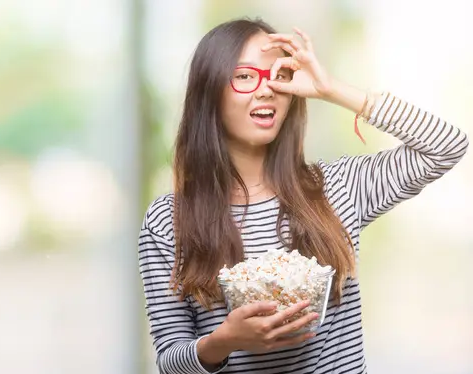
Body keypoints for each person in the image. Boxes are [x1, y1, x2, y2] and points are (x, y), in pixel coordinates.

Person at [137, 18, 468, 374]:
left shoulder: (337, 189)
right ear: (209, 90)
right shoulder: (168, 220)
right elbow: (170, 360)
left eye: (277, 75)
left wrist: (331, 89)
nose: (265, 90)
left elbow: (446, 146)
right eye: (245, 76)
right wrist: (225, 340)